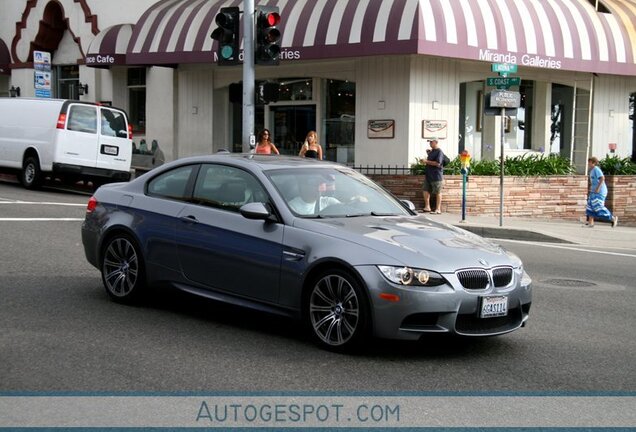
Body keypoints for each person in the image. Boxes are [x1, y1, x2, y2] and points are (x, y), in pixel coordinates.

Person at [585, 156, 618, 227]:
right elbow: (594, 181)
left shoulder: (596, 169)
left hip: (600, 192)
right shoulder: (591, 170)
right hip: (593, 192)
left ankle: (613, 218)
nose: (588, 164)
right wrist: (591, 189)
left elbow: (602, 178)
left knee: (598, 207)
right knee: (590, 206)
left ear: (593, 163)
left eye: (589, 162)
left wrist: (598, 189)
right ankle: (591, 223)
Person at [420, 139, 445, 214]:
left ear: (436, 142)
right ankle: (427, 207)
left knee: (438, 192)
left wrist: (426, 161)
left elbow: (438, 163)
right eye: (429, 142)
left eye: (431, 142)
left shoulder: (439, 152)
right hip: (428, 175)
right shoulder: (432, 151)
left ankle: (438, 209)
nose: (430, 143)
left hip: (436, 175)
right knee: (425, 190)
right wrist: (428, 154)